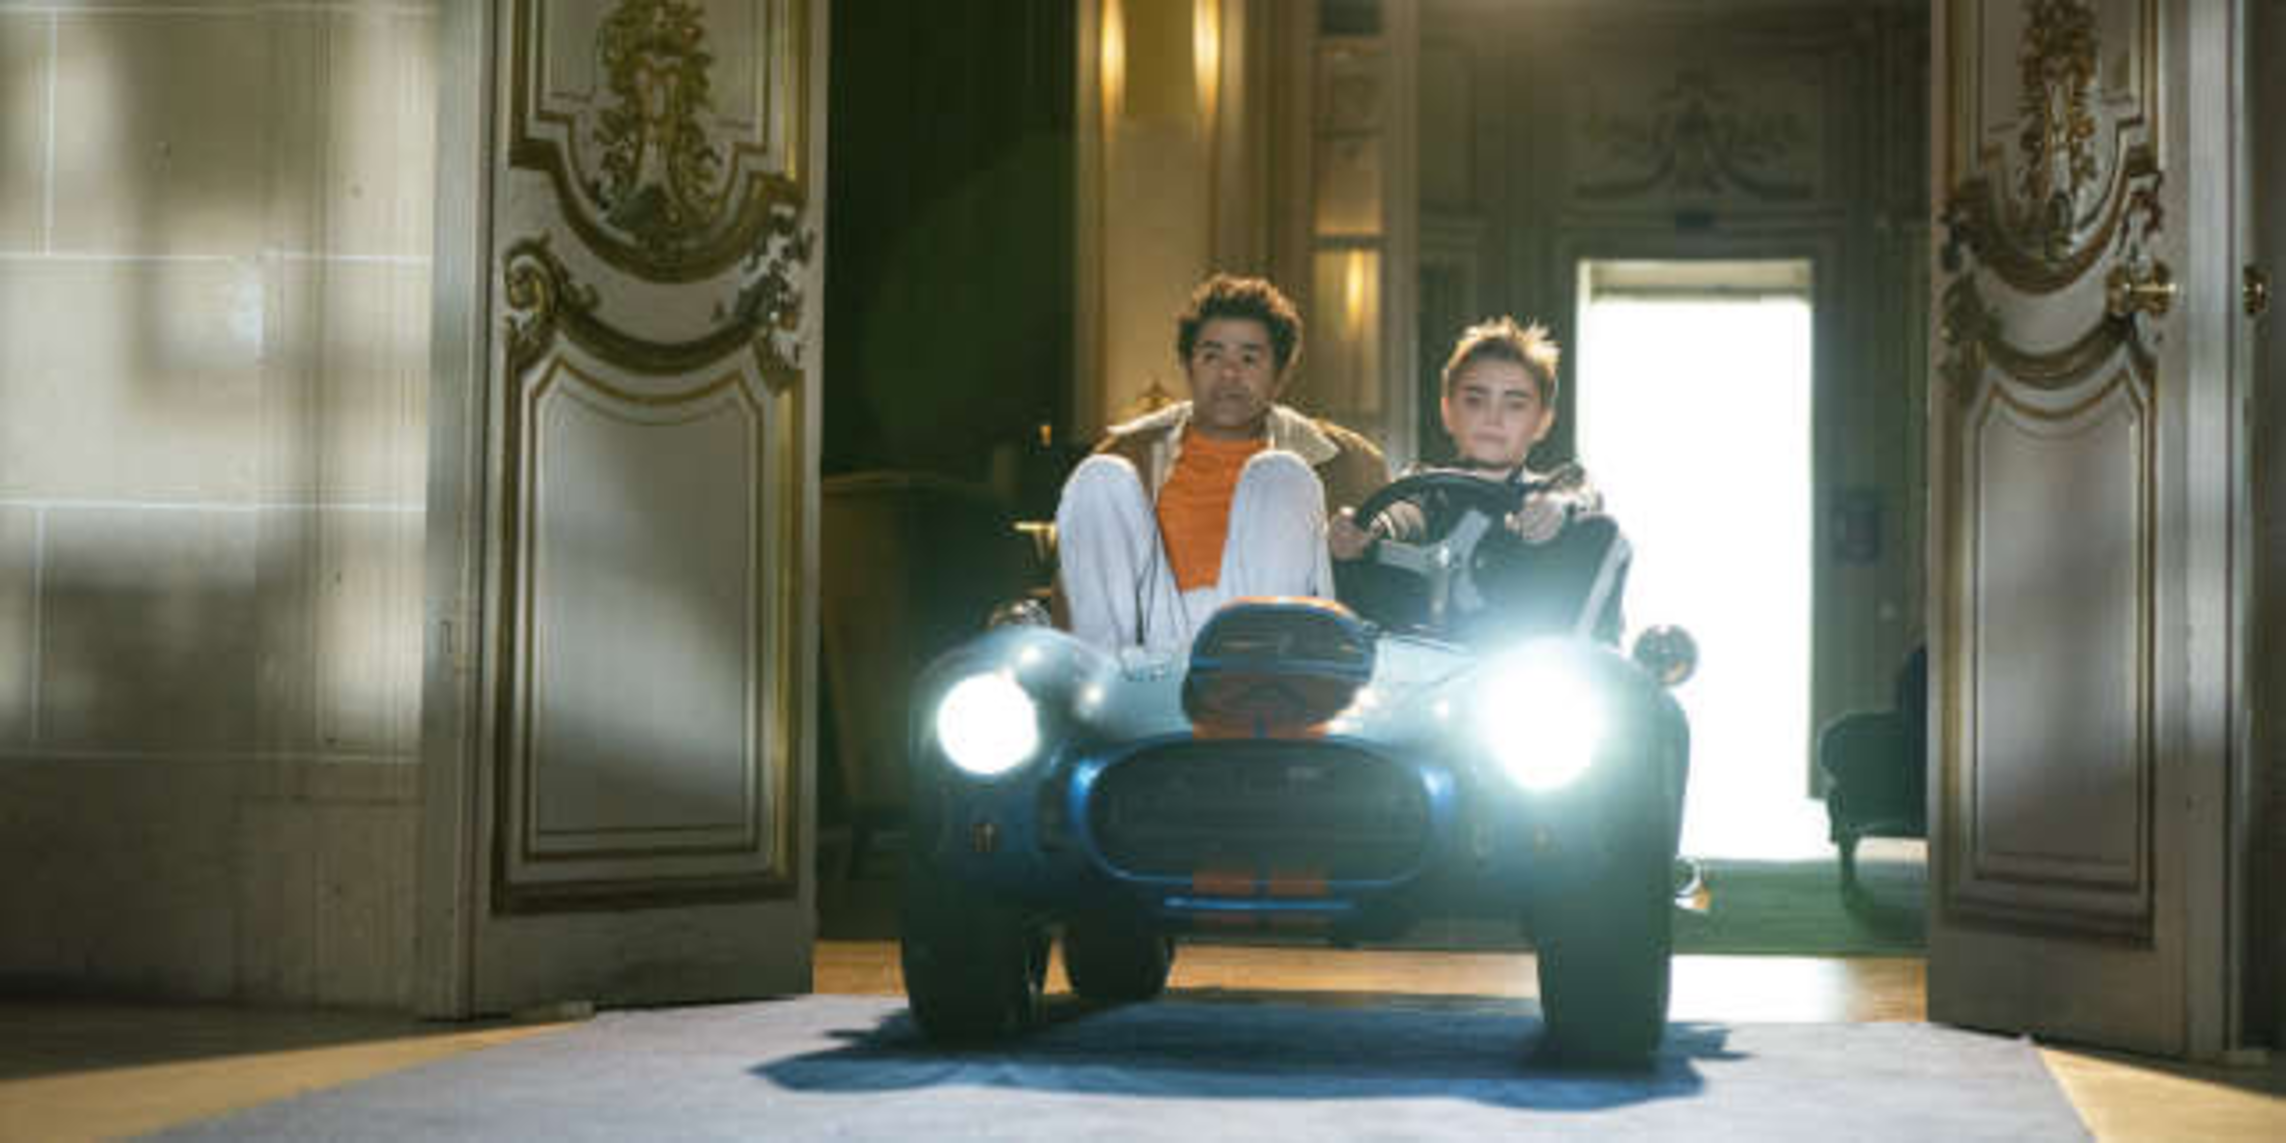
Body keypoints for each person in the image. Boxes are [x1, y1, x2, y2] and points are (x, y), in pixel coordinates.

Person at [1056, 274, 1389, 654]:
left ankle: (1260, 670)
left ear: (1280, 374)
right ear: (1188, 366)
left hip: (1264, 637)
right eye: (1212, 357)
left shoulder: (1340, 457)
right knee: (1101, 476)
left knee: (1282, 471)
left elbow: (1405, 520)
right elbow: (1080, 576)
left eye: (1249, 359)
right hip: (1152, 638)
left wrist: (1372, 528)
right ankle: (1101, 672)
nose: (1229, 374)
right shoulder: (1130, 450)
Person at [1329, 316, 1611, 637]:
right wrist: (1369, 528)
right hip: (1417, 653)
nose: (1493, 418)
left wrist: (1557, 508)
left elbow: (1581, 495)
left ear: (1543, 422)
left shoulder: (1550, 492)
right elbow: (1404, 514)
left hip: (1514, 655)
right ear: (1447, 411)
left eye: (1515, 405)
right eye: (1476, 401)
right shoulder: (1423, 488)